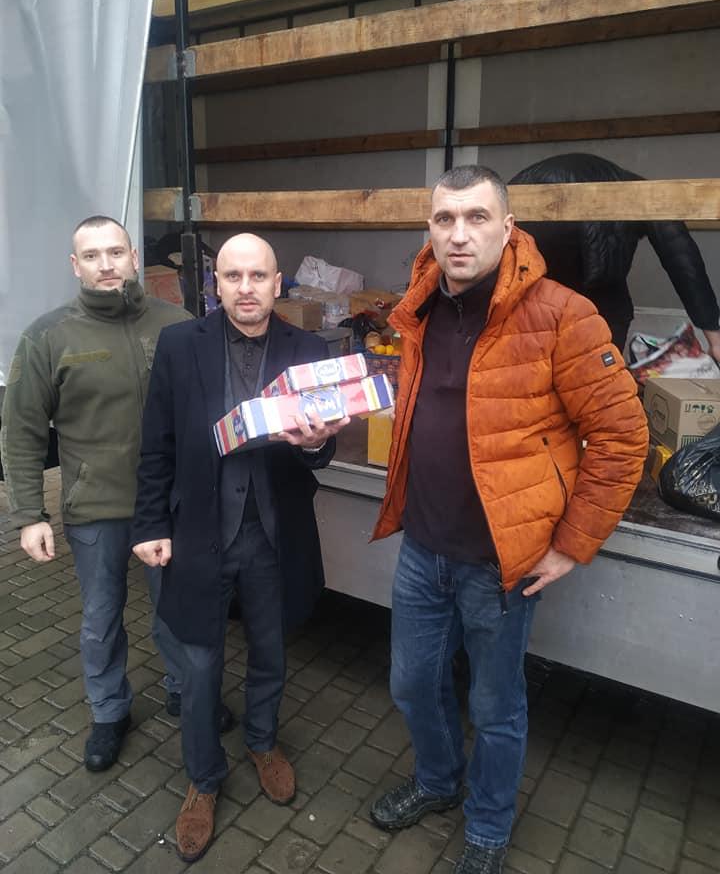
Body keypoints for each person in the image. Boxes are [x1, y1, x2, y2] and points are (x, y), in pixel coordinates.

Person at [369, 166, 648, 874]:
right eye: (445, 219)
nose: (459, 234)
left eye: (477, 217)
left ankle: (489, 830)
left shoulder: (563, 314)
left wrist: (572, 545)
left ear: (508, 226)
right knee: (411, 683)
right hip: (423, 547)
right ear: (430, 229)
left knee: (496, 706)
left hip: (502, 563)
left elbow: (622, 436)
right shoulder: (419, 304)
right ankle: (438, 781)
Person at [131, 232, 349, 864]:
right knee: (199, 666)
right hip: (199, 532)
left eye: (258, 276)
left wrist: (316, 442)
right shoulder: (180, 345)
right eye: (233, 276)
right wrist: (149, 525)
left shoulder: (307, 349)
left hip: (273, 533)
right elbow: (156, 442)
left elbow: (323, 450)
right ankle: (203, 778)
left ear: (277, 284)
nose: (246, 288)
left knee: (270, 651)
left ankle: (261, 740)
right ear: (216, 286)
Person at [0, 215, 196, 772]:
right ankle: (110, 712)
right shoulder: (49, 335)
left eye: (115, 252)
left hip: (168, 504)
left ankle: (185, 690)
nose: (106, 265)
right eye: (92, 256)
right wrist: (29, 514)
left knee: (177, 610)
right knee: (102, 618)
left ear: (134, 257)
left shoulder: (177, 324)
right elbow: (21, 429)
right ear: (75, 265)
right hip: (95, 508)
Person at [509, 152, 720, 356]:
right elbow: (681, 257)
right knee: (605, 318)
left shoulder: (636, 194)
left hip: (523, 207)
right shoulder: (642, 195)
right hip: (558, 237)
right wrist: (714, 338)